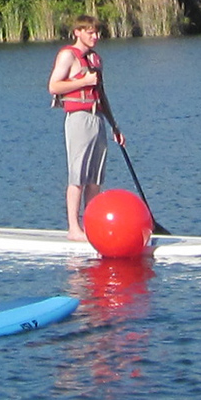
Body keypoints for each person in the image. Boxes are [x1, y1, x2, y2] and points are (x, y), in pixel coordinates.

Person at [48, 15, 123, 241]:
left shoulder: (96, 60)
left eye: (97, 32)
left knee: (95, 177)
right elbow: (53, 86)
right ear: (78, 32)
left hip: (96, 118)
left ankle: (91, 226)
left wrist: (114, 126)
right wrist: (83, 82)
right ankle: (74, 228)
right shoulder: (68, 56)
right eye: (90, 32)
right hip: (78, 118)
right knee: (78, 174)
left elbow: (101, 94)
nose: (95, 36)